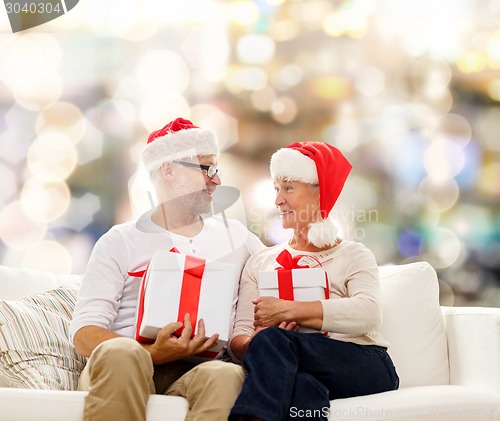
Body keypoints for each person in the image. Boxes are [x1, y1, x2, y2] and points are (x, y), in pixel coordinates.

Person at [69, 117, 264, 421]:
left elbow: (276, 271)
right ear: (169, 170)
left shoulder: (237, 238)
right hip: (124, 365)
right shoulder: (120, 240)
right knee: (123, 354)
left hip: (193, 372)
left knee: (225, 376)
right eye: (207, 168)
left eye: (217, 170)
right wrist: (150, 353)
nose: (217, 181)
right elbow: (84, 335)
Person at [228, 141, 399, 421]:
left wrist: (289, 311)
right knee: (303, 385)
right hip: (293, 363)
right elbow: (240, 336)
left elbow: (369, 312)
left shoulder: (353, 254)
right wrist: (254, 344)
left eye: (289, 188)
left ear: (321, 193)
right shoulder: (260, 261)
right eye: (276, 188)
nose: (278, 200)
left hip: (364, 363)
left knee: (276, 342)